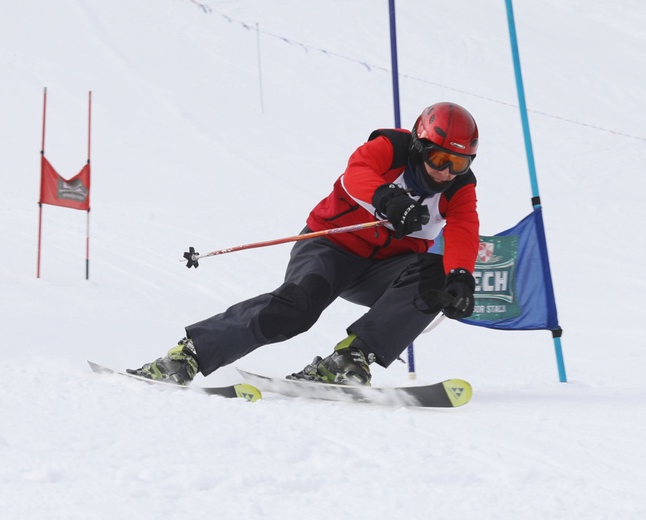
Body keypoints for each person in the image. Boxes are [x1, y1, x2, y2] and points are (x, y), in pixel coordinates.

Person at [128, 102, 480, 387]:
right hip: (331, 249)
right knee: (295, 310)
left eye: (459, 163)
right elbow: (355, 174)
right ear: (420, 146)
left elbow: (465, 229)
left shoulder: (459, 188)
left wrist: (461, 276)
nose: (447, 172)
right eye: (439, 159)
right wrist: (387, 198)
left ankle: (349, 359)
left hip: (384, 270)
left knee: (437, 276)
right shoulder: (390, 148)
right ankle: (188, 355)